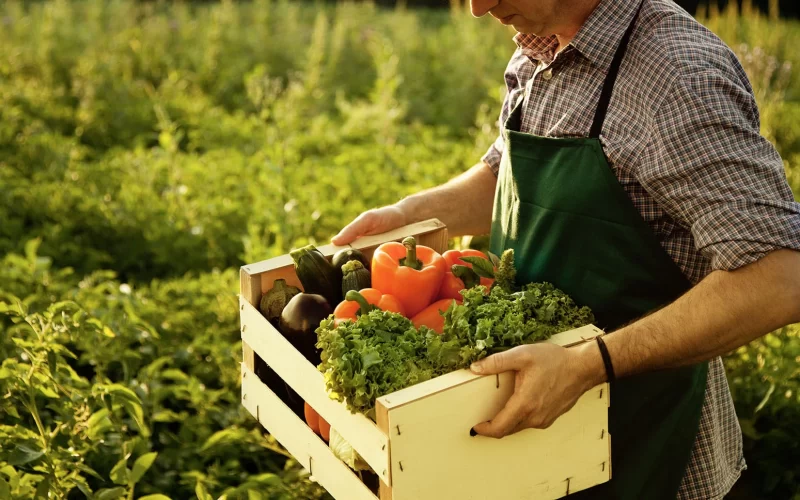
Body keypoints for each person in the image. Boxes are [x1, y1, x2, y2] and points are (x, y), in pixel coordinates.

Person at [331, 0, 800, 498]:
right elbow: (505, 174)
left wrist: (587, 364)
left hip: (644, 445)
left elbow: (780, 277)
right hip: (533, 448)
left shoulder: (676, 75)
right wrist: (411, 214)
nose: (477, 8)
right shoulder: (541, 45)